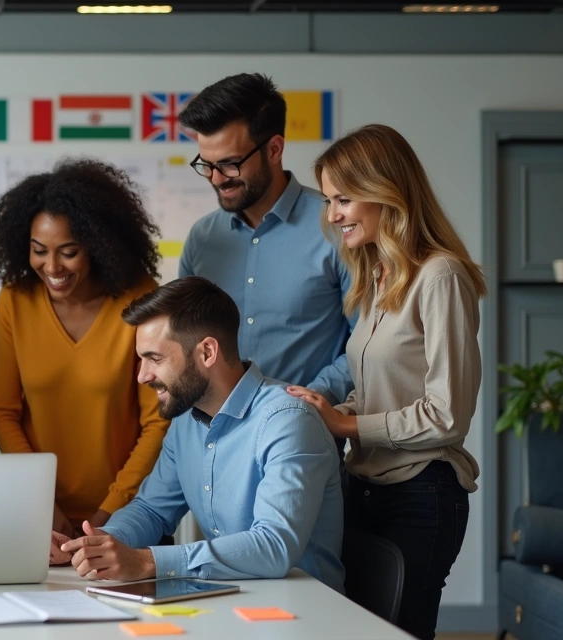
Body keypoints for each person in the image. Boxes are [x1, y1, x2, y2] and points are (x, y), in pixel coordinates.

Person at [287, 124, 485, 640]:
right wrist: (328, 410)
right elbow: (380, 389)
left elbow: (447, 415)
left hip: (422, 494)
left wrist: (347, 425)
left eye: (343, 199)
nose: (332, 215)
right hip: (367, 490)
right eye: (329, 201)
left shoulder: (441, 277)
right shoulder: (378, 274)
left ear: (385, 191)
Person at [56, 277, 344, 593]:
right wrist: (93, 545)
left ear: (207, 352)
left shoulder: (288, 420)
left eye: (155, 358)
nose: (142, 376)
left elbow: (274, 546)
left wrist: (149, 562)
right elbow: (151, 510)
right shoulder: (185, 421)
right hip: (230, 603)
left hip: (305, 610)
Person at [0, 158, 169, 538]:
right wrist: (40, 501)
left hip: (130, 514)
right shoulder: (15, 301)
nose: (52, 267)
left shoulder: (139, 298)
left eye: (68, 252)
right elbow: (2, 411)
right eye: (39, 250)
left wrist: (109, 512)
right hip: (37, 514)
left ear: (98, 246)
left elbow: (157, 421)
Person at [178, 72, 353, 407]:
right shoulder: (202, 239)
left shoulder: (335, 228)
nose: (216, 179)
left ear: (274, 149)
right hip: (211, 430)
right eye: (206, 165)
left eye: (230, 164)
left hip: (304, 428)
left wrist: (305, 402)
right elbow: (185, 342)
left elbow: (365, 344)